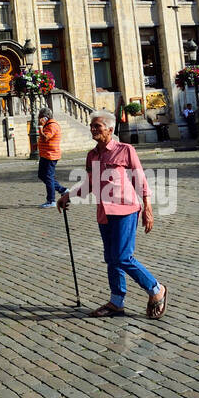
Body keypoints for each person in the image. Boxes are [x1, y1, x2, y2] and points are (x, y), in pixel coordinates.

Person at [56, 111, 167, 319]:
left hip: (126, 210)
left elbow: (140, 179)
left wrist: (148, 208)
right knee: (111, 259)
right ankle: (117, 302)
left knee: (123, 257)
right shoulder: (92, 155)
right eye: (91, 126)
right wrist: (68, 196)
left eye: (97, 126)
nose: (92, 129)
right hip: (104, 213)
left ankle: (156, 289)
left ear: (110, 129)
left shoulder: (125, 150)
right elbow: (89, 183)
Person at [36, 106, 63, 208]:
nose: (39, 119)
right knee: (42, 175)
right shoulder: (48, 125)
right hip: (45, 154)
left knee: (48, 177)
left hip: (50, 155)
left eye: (40, 117)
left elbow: (46, 137)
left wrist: (40, 127)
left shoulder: (52, 125)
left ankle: (51, 200)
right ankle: (62, 190)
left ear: (45, 117)